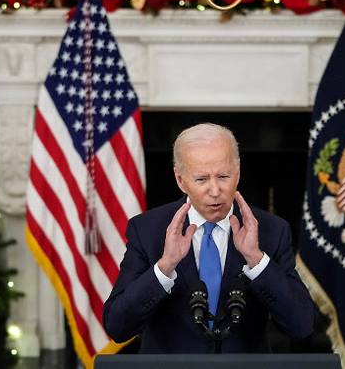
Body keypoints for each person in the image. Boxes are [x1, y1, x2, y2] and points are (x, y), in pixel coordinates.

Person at [102, 123, 315, 352]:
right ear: (180, 180)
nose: (215, 191)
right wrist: (164, 267)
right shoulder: (147, 230)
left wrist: (256, 259)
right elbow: (117, 327)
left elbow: (302, 326)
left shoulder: (271, 230)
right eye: (202, 179)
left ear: (238, 172)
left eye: (223, 176)